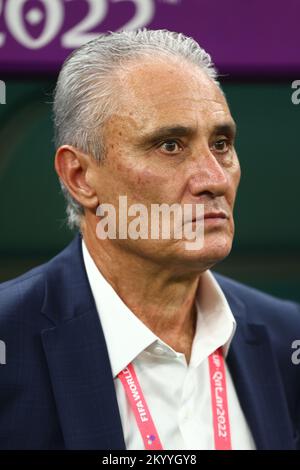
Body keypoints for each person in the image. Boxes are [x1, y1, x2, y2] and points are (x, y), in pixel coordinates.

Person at [0, 29, 299, 451]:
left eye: (221, 143)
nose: (214, 179)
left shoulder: (287, 339)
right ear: (80, 177)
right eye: (170, 145)